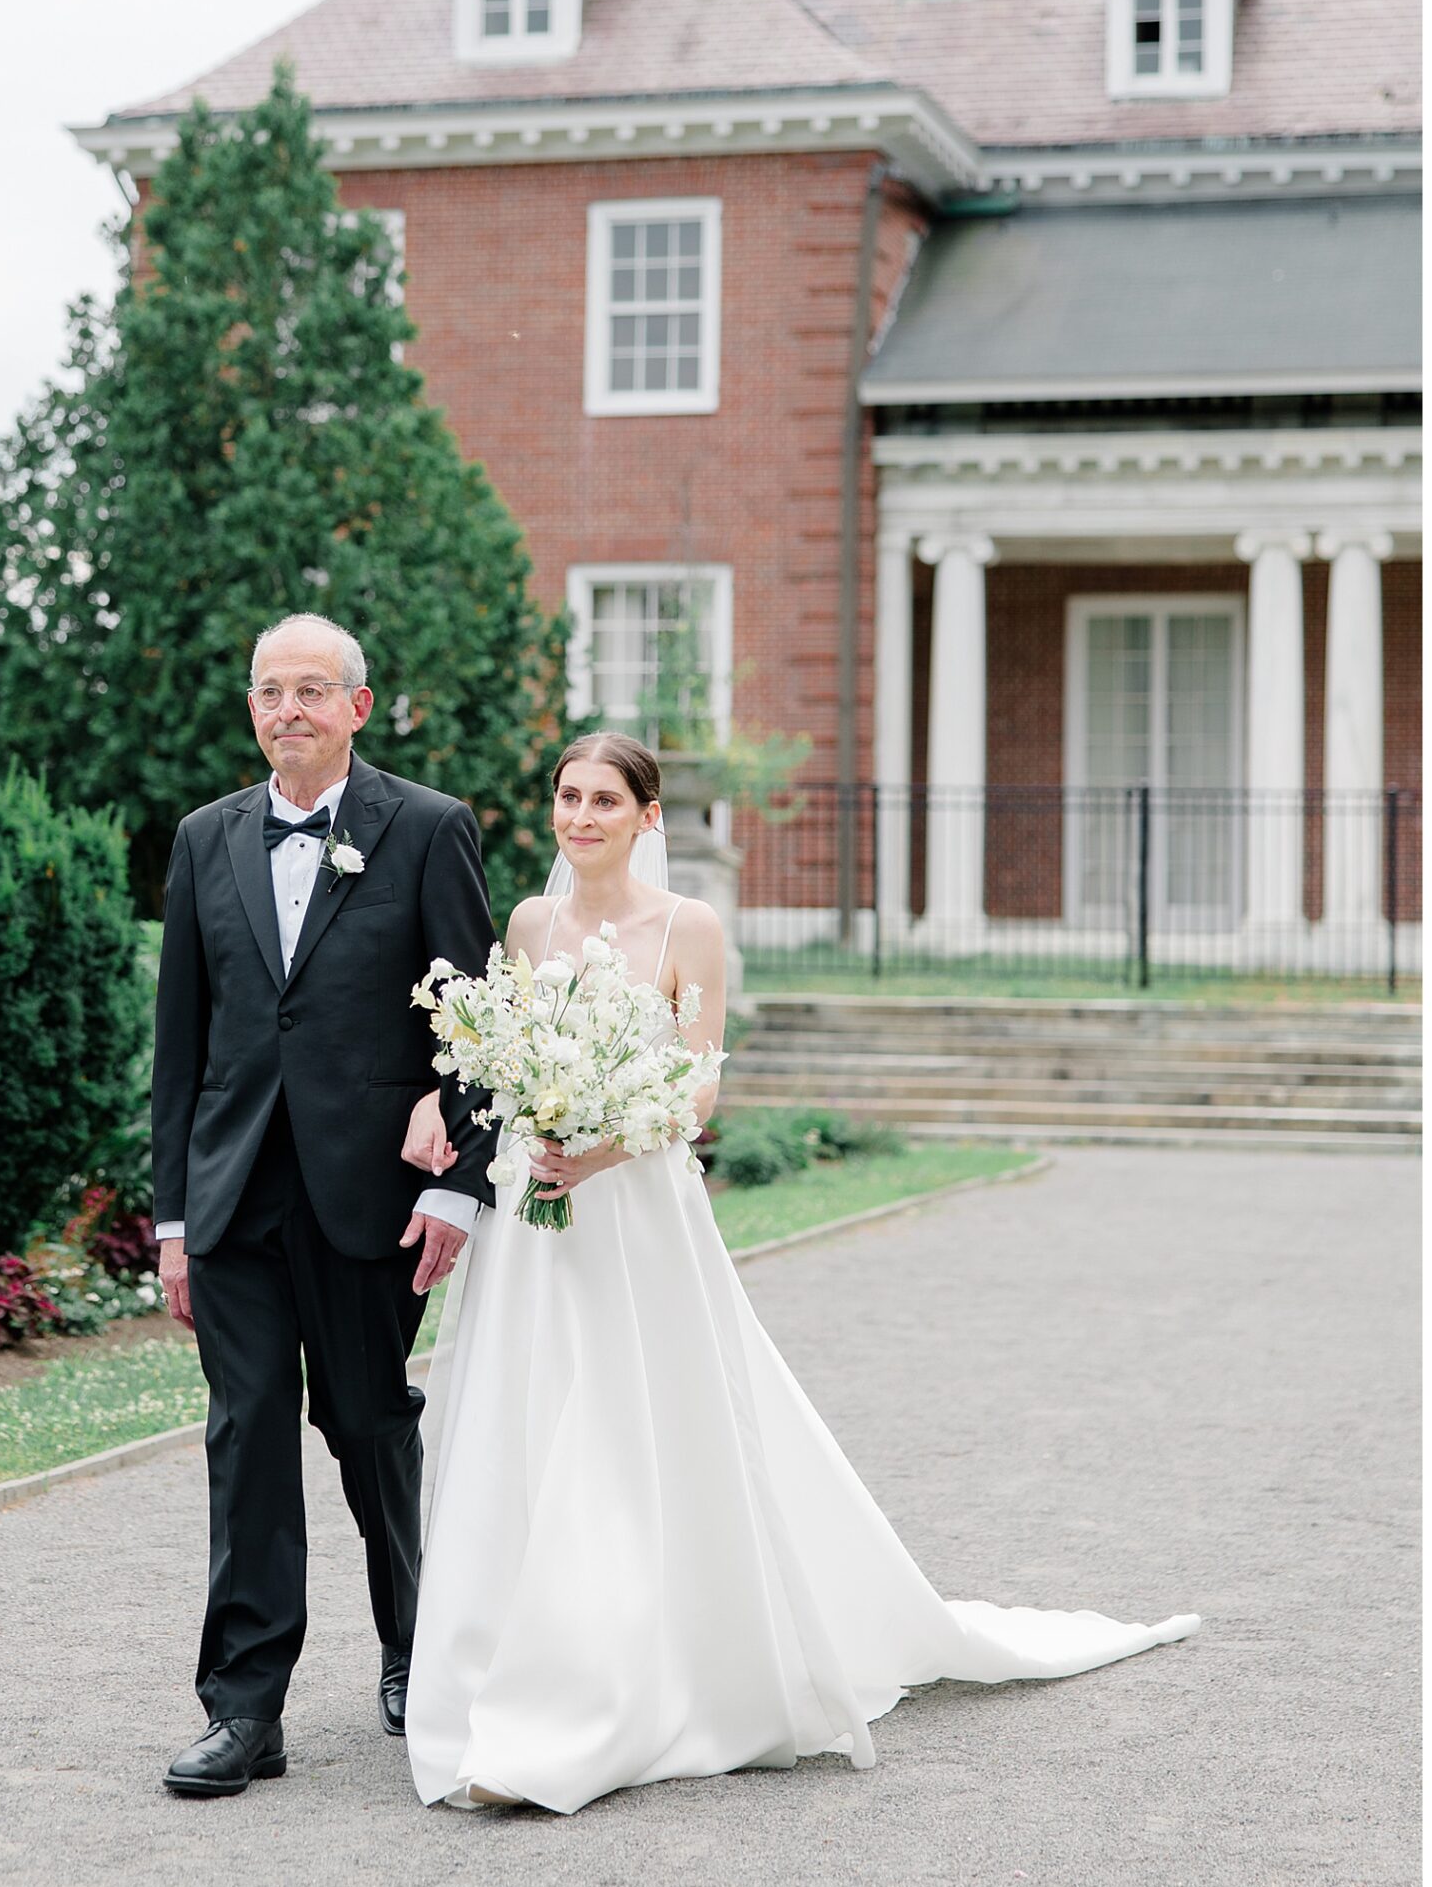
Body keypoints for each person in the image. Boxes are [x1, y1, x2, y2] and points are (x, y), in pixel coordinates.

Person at [404, 730, 1199, 1815]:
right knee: (534, 1423)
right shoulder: (532, 925)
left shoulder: (691, 928)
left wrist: (593, 1154)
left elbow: (696, 1093)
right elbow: (505, 1058)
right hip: (539, 1220)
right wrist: (521, 1126)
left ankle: (602, 1697)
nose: (578, 816)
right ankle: (513, 1673)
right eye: (566, 795)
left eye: (603, 799)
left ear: (647, 818)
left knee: (630, 1433)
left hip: (637, 1216)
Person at [153, 614, 495, 1797]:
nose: (287, 708)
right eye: (268, 691)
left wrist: (459, 1171)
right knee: (246, 1434)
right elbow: (180, 1049)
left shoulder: (430, 828)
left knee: (365, 1426)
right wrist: (171, 1219)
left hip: (372, 1200)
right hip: (236, 1194)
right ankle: (243, 1709)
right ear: (251, 709)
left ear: (358, 705)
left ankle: (417, 1647)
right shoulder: (206, 840)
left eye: (311, 689)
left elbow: (478, 1023)